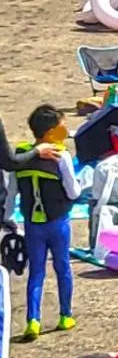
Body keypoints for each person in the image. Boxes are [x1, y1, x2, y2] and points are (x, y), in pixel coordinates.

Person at [9, 105, 81, 341]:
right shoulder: (62, 156)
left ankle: (33, 320)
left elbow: (11, 194)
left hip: (32, 224)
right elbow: (73, 192)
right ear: (52, 131)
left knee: (36, 273)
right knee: (63, 268)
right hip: (58, 221)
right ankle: (65, 315)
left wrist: (9, 220)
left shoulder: (20, 156)